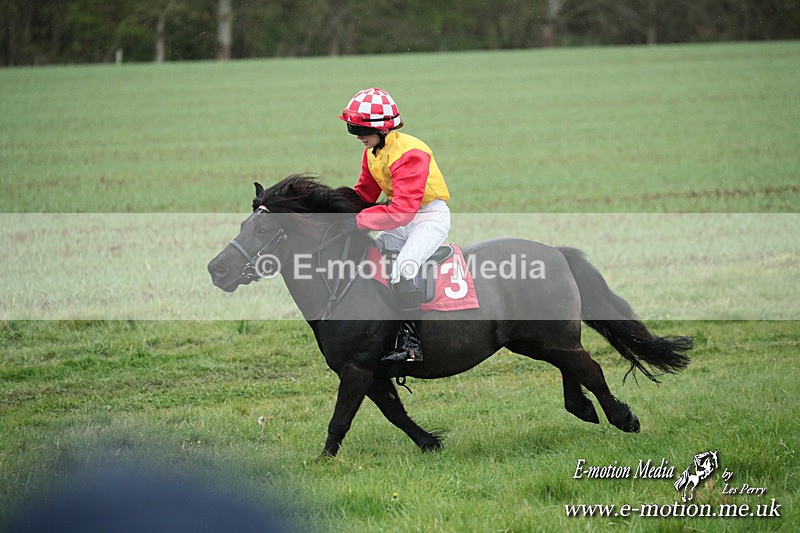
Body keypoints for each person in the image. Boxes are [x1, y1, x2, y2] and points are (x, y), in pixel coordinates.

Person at [338, 87, 451, 362]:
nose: (358, 137)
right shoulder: (373, 153)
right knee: (371, 254)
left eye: (360, 130)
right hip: (403, 216)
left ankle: (412, 344)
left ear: (384, 129)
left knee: (402, 269)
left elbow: (402, 212)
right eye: (353, 130)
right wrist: (332, 211)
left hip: (427, 218)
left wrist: (357, 222)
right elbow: (363, 195)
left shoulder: (410, 153)